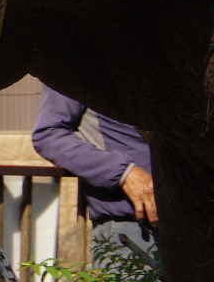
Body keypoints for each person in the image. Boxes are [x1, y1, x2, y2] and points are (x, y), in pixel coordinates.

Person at [29, 86, 156, 262]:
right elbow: (48, 135)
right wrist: (124, 172)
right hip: (131, 226)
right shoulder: (76, 69)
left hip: (186, 219)